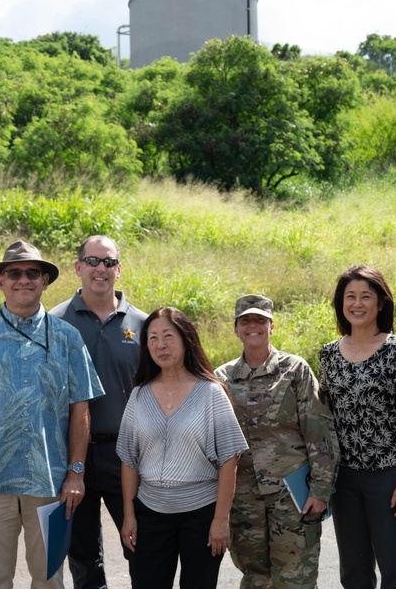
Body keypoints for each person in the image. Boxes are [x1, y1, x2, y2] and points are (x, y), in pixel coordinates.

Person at [0, 239, 105, 589]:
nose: (24, 280)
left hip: (50, 482)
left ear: (45, 281)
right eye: (13, 272)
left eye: (33, 273)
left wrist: (76, 473)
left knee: (49, 580)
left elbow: (80, 410)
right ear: (0, 280)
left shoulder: (67, 338)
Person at [117, 307, 247, 589]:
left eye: (168, 336)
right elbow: (129, 460)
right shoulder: (139, 395)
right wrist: (129, 515)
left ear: (186, 339)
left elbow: (229, 458)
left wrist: (221, 520)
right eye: (152, 338)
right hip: (150, 514)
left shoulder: (211, 393)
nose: (160, 345)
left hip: (201, 515)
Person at [215, 294, 339, 589]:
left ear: (272, 327)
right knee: (255, 578)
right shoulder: (221, 378)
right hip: (243, 497)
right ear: (236, 329)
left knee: (296, 579)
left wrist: (321, 490)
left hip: (292, 497)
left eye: (261, 320)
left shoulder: (295, 370)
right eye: (246, 321)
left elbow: (319, 431)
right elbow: (216, 442)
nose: (253, 326)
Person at [50, 235, 148, 589]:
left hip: (130, 455)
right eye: (92, 261)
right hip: (73, 459)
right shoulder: (54, 323)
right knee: (83, 556)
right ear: (78, 268)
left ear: (119, 269)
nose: (100, 269)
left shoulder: (144, 324)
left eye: (108, 262)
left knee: (142, 548)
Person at [318, 265, 396, 589]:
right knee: (354, 572)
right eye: (350, 296)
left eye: (366, 296)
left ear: (381, 303)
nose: (357, 303)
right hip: (344, 479)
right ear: (341, 303)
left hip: (389, 476)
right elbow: (322, 419)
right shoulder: (328, 355)